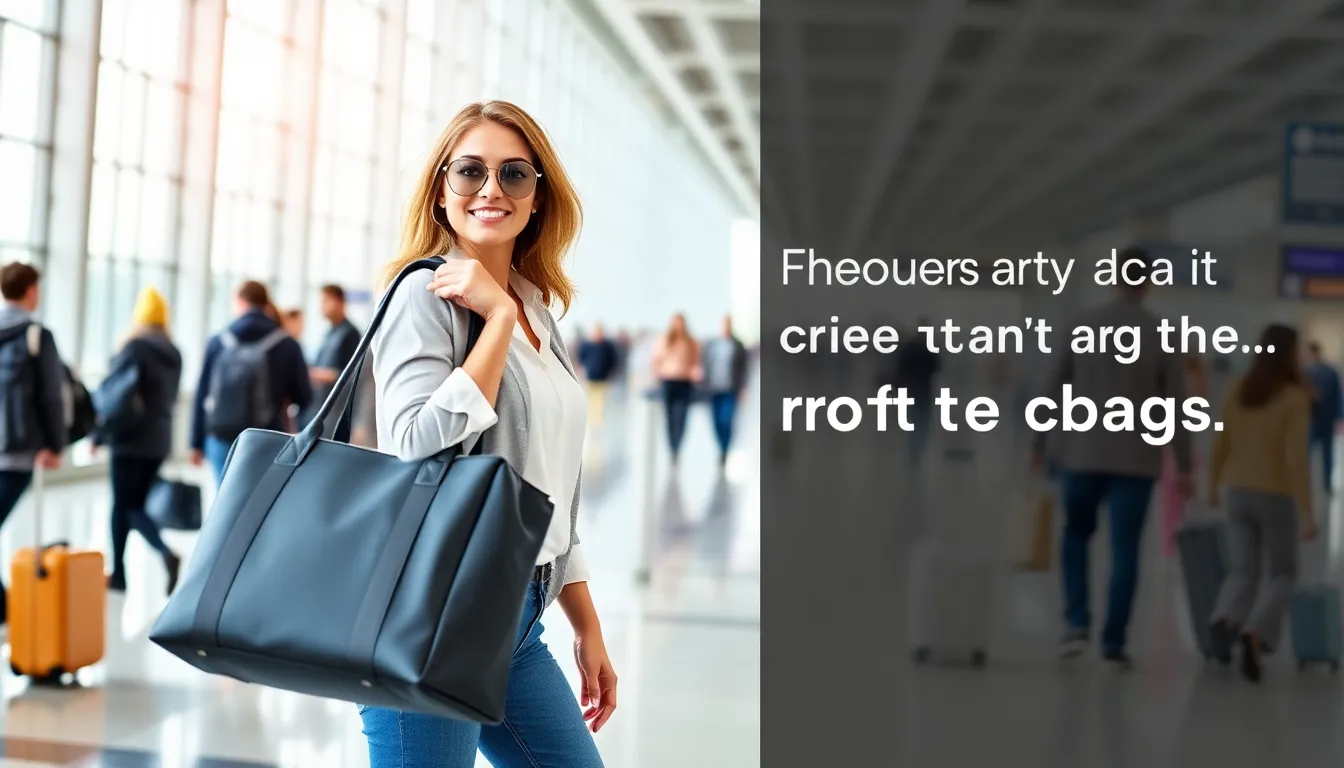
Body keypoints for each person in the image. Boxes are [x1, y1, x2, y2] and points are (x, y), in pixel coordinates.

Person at [364, 99, 613, 766]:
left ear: (539, 197)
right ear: (442, 190)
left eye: (514, 174)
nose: (491, 190)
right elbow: (416, 443)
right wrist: (494, 321)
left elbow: (549, 484)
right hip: (434, 615)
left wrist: (585, 625)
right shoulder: (426, 297)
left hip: (517, 617)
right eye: (469, 171)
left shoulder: (539, 310)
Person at [1030, 246, 1192, 670]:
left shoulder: (1082, 324)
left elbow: (1053, 388)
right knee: (1125, 552)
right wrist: (1187, 463)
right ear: (1149, 283)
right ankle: (1113, 643)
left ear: (1113, 279)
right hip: (1136, 460)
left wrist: (1037, 441)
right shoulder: (1162, 334)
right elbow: (1177, 405)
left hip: (1080, 454)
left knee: (1075, 536)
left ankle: (1077, 623)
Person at [1208, 324, 1316, 683]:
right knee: (1284, 571)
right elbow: (1295, 458)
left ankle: (1224, 618)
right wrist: (1307, 511)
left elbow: (1220, 441)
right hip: (1275, 494)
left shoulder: (1238, 387)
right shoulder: (1294, 397)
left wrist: (1212, 485)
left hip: (1236, 490)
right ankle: (1254, 630)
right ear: (1289, 355)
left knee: (1242, 569)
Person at [92, 287, 183, 595]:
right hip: (159, 439)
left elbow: (115, 398)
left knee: (123, 507)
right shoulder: (174, 352)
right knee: (137, 504)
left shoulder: (133, 348)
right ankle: (131, 567)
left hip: (130, 439)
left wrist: (99, 434)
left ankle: (136, 565)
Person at [189, 280, 312, 486]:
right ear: (266, 304)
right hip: (267, 437)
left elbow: (202, 393)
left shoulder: (218, 341)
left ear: (240, 301)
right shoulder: (287, 344)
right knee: (259, 504)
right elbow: (303, 396)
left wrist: (195, 443)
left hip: (221, 434)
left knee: (225, 499)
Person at [0, 263, 68, 624]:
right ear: (30, 291)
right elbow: (52, 396)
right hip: (19, 451)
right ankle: (5, 608)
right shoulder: (36, 336)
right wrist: (56, 445)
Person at [299, 285, 362, 440]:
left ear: (340, 302)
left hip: (334, 412)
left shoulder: (350, 334)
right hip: (318, 407)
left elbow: (350, 376)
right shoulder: (329, 332)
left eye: (326, 301)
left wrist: (315, 374)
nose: (322, 306)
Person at [651, 313, 702, 466]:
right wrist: (657, 373)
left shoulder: (691, 342)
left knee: (681, 416)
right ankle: (672, 447)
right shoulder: (665, 339)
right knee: (670, 417)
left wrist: (694, 371)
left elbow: (695, 361)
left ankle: (677, 447)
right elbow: (656, 359)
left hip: (684, 381)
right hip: (668, 381)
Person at [701, 314, 748, 466]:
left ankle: (725, 449)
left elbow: (744, 369)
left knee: (726, 420)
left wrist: (743, 388)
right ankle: (720, 446)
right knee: (715, 421)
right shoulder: (711, 344)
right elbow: (705, 364)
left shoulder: (738, 345)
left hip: (730, 389)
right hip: (713, 388)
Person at [893, 317, 940, 466]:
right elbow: (937, 368)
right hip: (925, 390)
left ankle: (914, 450)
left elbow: (900, 369)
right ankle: (917, 449)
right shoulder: (930, 348)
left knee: (914, 420)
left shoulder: (909, 348)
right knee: (923, 423)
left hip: (911, 390)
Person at [1304, 341, 1341, 493]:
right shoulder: (1305, 373)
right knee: (1307, 452)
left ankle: (1327, 484)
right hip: (1313, 419)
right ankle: (1307, 483)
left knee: (1326, 454)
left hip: (1323, 418)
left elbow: (1338, 396)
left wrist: (1339, 417)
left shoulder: (1329, 372)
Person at [577, 323, 619, 430]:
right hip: (590, 376)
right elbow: (581, 358)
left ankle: (598, 421)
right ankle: (591, 419)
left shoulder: (608, 346)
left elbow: (612, 360)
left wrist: (610, 371)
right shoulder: (587, 345)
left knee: (600, 399)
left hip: (603, 377)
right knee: (590, 399)